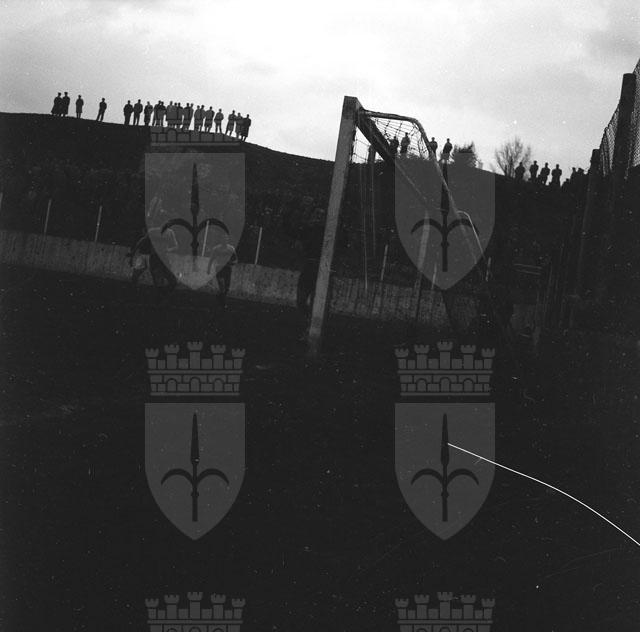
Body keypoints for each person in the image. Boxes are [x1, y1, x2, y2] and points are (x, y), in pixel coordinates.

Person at [295, 204, 326, 323]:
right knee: (301, 299)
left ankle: (311, 323)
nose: (318, 217)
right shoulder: (307, 230)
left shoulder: (325, 232)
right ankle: (309, 321)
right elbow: (298, 246)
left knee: (314, 300)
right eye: (317, 213)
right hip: (310, 266)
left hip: (320, 267)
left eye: (321, 215)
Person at [207, 232, 238, 308]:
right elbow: (211, 259)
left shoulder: (231, 249)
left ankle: (219, 296)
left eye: (226, 238)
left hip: (227, 268)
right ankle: (223, 303)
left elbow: (236, 260)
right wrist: (208, 269)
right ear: (221, 240)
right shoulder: (216, 249)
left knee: (227, 288)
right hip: (219, 268)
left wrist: (231, 263)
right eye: (223, 238)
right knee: (222, 286)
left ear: (228, 240)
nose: (224, 240)